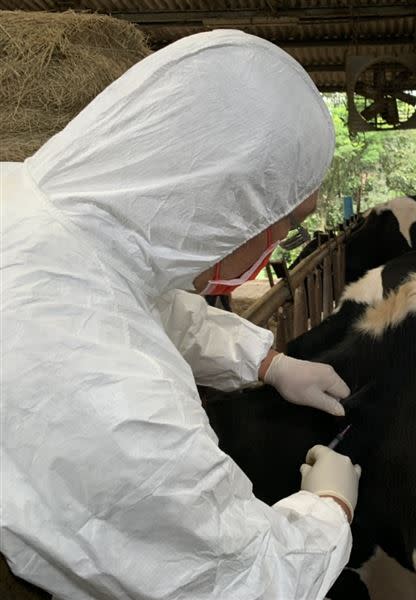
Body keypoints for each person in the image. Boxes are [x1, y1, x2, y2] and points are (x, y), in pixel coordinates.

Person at [1, 29, 361, 599]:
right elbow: (242, 580)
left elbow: (144, 302)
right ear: (228, 203)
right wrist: (329, 507)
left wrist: (265, 362)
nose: (275, 244)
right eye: (284, 223)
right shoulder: (113, 389)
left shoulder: (31, 205)